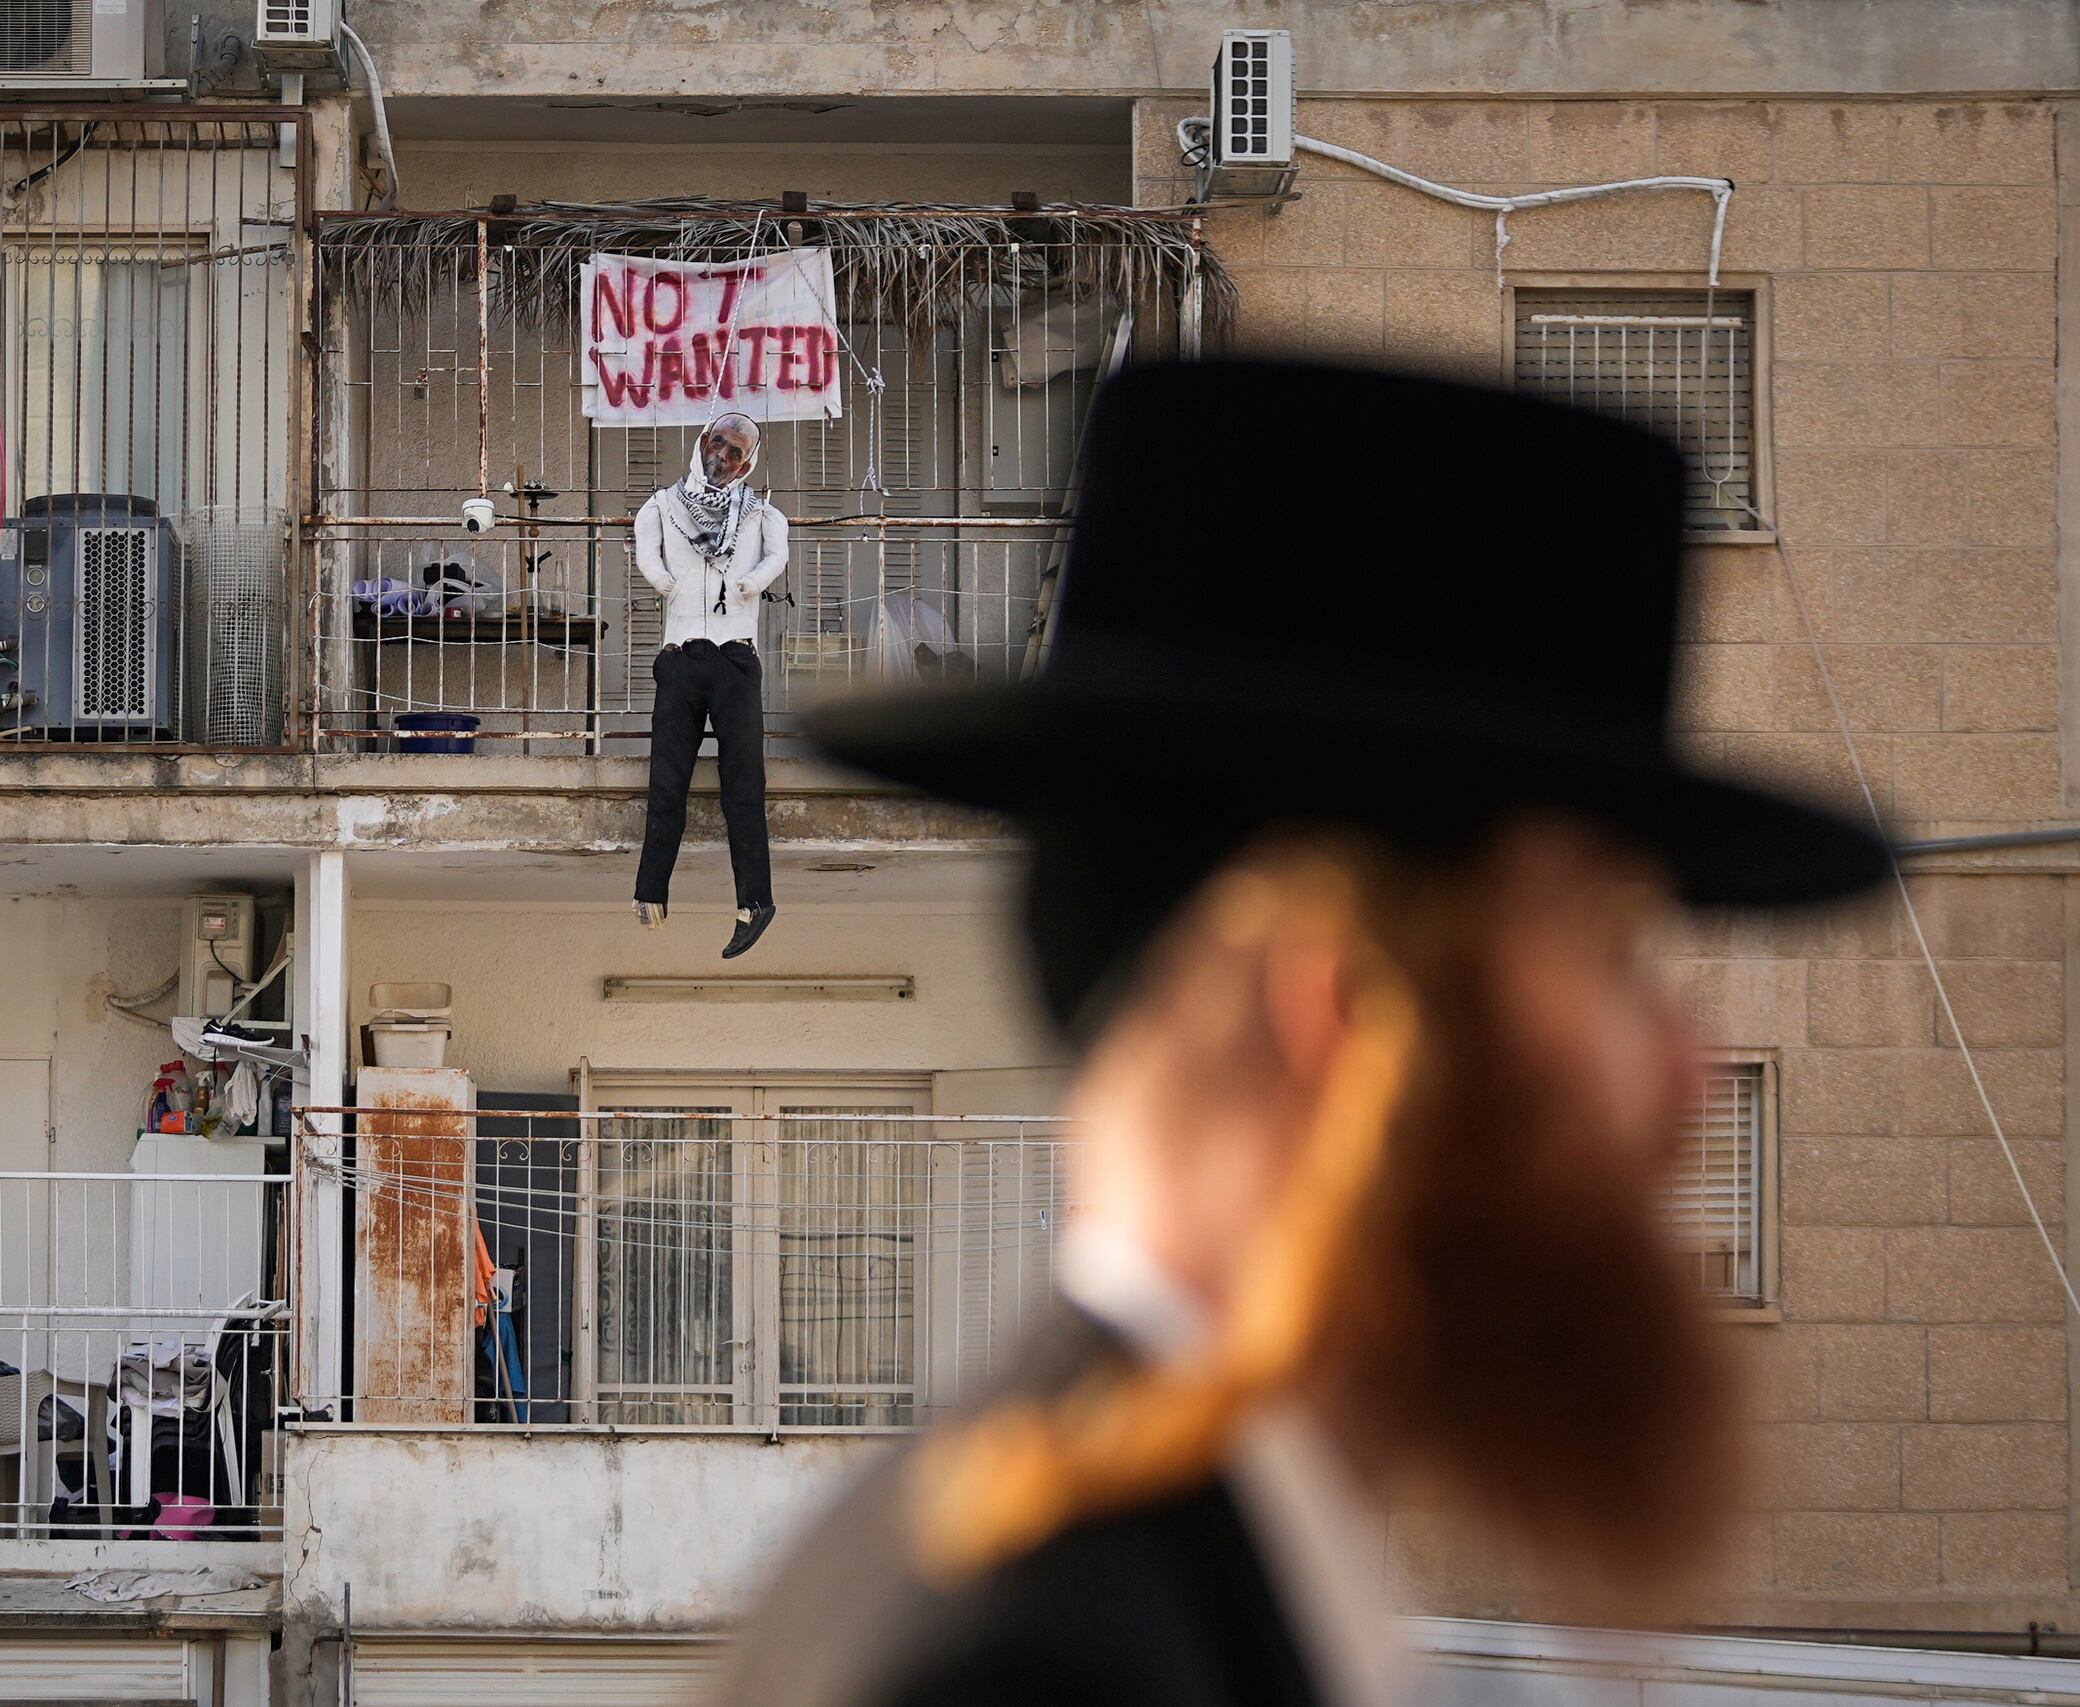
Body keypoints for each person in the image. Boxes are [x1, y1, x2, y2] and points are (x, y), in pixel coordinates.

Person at [718, 358, 1887, 1707]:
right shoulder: (1047, 1660)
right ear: (1344, 1012)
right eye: (1609, 950)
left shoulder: (1128, 1570)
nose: (1683, 1073)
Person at [631, 410, 791, 960]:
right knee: (667, 778)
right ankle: (650, 889)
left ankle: (757, 900)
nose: (722, 458)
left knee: (744, 784)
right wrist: (662, 580)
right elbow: (646, 550)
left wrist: (752, 582)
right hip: (680, 655)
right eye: (717, 445)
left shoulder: (761, 514)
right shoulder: (662, 506)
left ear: (748, 463)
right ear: (703, 439)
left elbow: (779, 554)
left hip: (735, 657)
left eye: (735, 453)